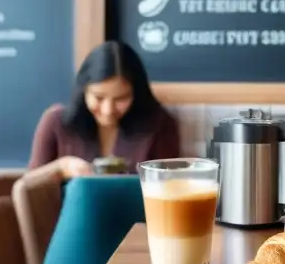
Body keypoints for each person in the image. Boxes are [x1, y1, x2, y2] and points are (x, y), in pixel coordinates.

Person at [29, 40, 180, 177]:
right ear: (84, 91)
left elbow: (171, 187)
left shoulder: (160, 125)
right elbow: (28, 186)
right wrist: (61, 167)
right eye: (99, 98)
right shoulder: (55, 122)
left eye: (121, 99)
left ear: (137, 93)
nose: (108, 110)